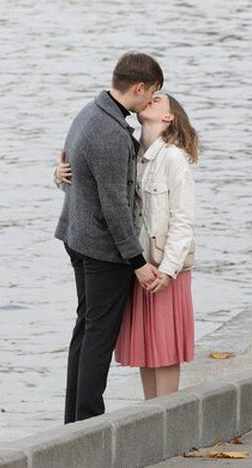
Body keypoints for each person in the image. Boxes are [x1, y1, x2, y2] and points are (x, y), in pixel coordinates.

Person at [57, 94, 199, 400]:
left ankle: (167, 422)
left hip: (162, 269)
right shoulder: (131, 151)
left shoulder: (173, 159)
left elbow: (183, 222)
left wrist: (169, 271)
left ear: (168, 117)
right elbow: (94, 186)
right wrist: (59, 176)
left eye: (158, 99)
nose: (150, 99)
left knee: (165, 350)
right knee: (149, 349)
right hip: (139, 268)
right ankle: (152, 418)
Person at [53, 52, 164, 422]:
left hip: (77, 236)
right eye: (153, 93)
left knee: (86, 329)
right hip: (101, 249)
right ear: (139, 87)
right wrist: (138, 263)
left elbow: (73, 166)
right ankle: (88, 422)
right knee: (99, 336)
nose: (151, 101)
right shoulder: (111, 133)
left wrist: (57, 172)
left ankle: (74, 421)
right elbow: (115, 207)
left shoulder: (90, 112)